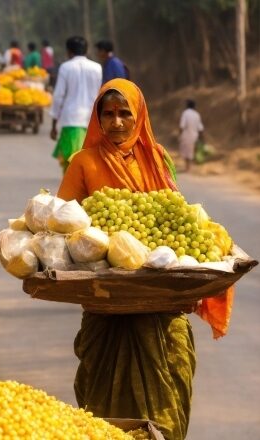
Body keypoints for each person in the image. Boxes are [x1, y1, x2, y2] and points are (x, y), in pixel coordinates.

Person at [57, 78, 233, 440]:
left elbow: (176, 213)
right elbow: (63, 221)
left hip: (160, 301)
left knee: (173, 370)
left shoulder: (156, 156)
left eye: (125, 113)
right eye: (108, 114)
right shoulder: (83, 163)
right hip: (107, 303)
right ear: (98, 118)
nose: (117, 122)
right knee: (99, 391)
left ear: (139, 116)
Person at [50, 36, 102, 171]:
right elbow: (99, 93)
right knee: (88, 159)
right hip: (91, 119)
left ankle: (71, 188)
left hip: (71, 119)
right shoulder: (97, 68)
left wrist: (54, 123)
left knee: (69, 159)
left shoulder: (66, 67)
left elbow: (59, 95)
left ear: (69, 51)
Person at [178, 99, 204, 172]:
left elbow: (181, 126)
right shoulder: (197, 114)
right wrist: (202, 137)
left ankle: (187, 167)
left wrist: (179, 134)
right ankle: (189, 167)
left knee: (186, 151)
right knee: (192, 151)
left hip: (186, 135)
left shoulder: (185, 113)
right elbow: (200, 128)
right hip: (195, 135)